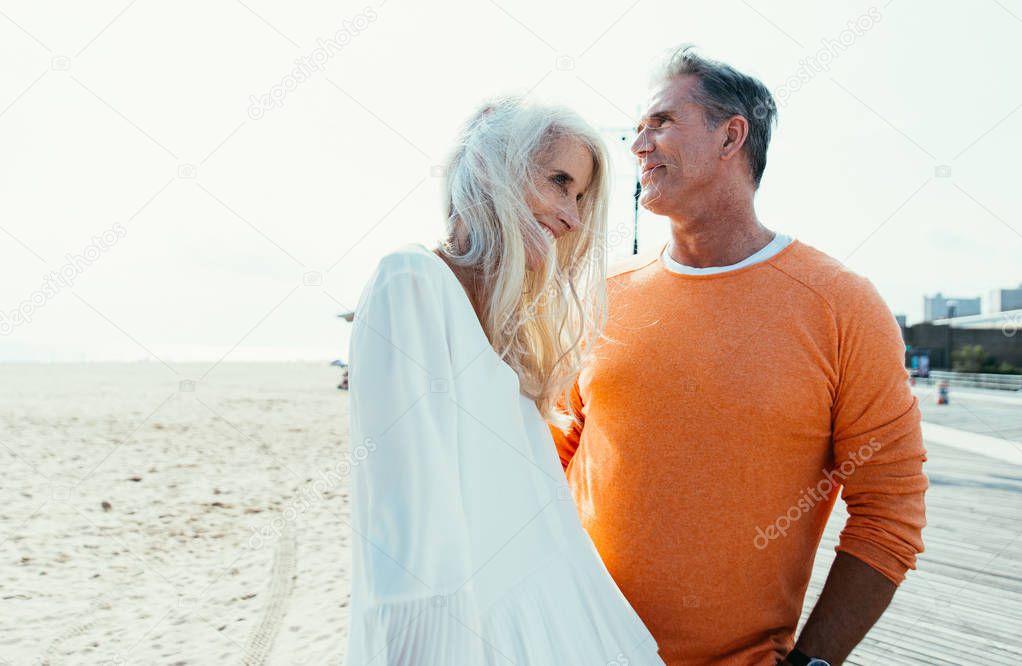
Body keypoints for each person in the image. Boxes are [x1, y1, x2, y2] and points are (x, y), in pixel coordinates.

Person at [550, 46, 928, 666]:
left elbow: (890, 511)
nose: (638, 143)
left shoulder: (842, 305)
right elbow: (550, 465)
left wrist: (813, 662)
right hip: (570, 647)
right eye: (640, 126)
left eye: (661, 122)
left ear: (732, 137)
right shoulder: (600, 295)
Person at [345, 97, 664, 665]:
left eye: (581, 197)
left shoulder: (512, 335)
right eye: (558, 181)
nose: (570, 215)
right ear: (494, 168)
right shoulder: (412, 282)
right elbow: (408, 544)